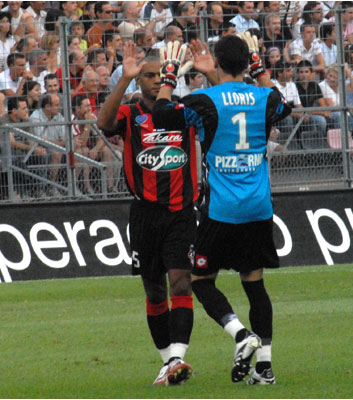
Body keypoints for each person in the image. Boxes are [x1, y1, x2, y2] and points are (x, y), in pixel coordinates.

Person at [153, 34, 291, 385]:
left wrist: (169, 76)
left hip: (221, 208)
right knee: (254, 283)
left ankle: (241, 334)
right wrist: (259, 70)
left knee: (200, 280)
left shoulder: (204, 99)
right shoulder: (265, 96)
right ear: (249, 62)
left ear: (216, 62)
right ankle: (265, 368)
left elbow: (162, 115)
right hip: (258, 206)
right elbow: (284, 107)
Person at [96, 41, 215, 386]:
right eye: (146, 75)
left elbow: (217, 111)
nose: (152, 80)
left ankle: (178, 356)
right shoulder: (130, 113)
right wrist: (122, 81)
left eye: (157, 75)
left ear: (169, 76)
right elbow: (103, 123)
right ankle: (168, 361)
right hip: (145, 214)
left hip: (181, 212)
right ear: (138, 80)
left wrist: (208, 76)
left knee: (181, 280)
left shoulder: (184, 110)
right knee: (154, 290)